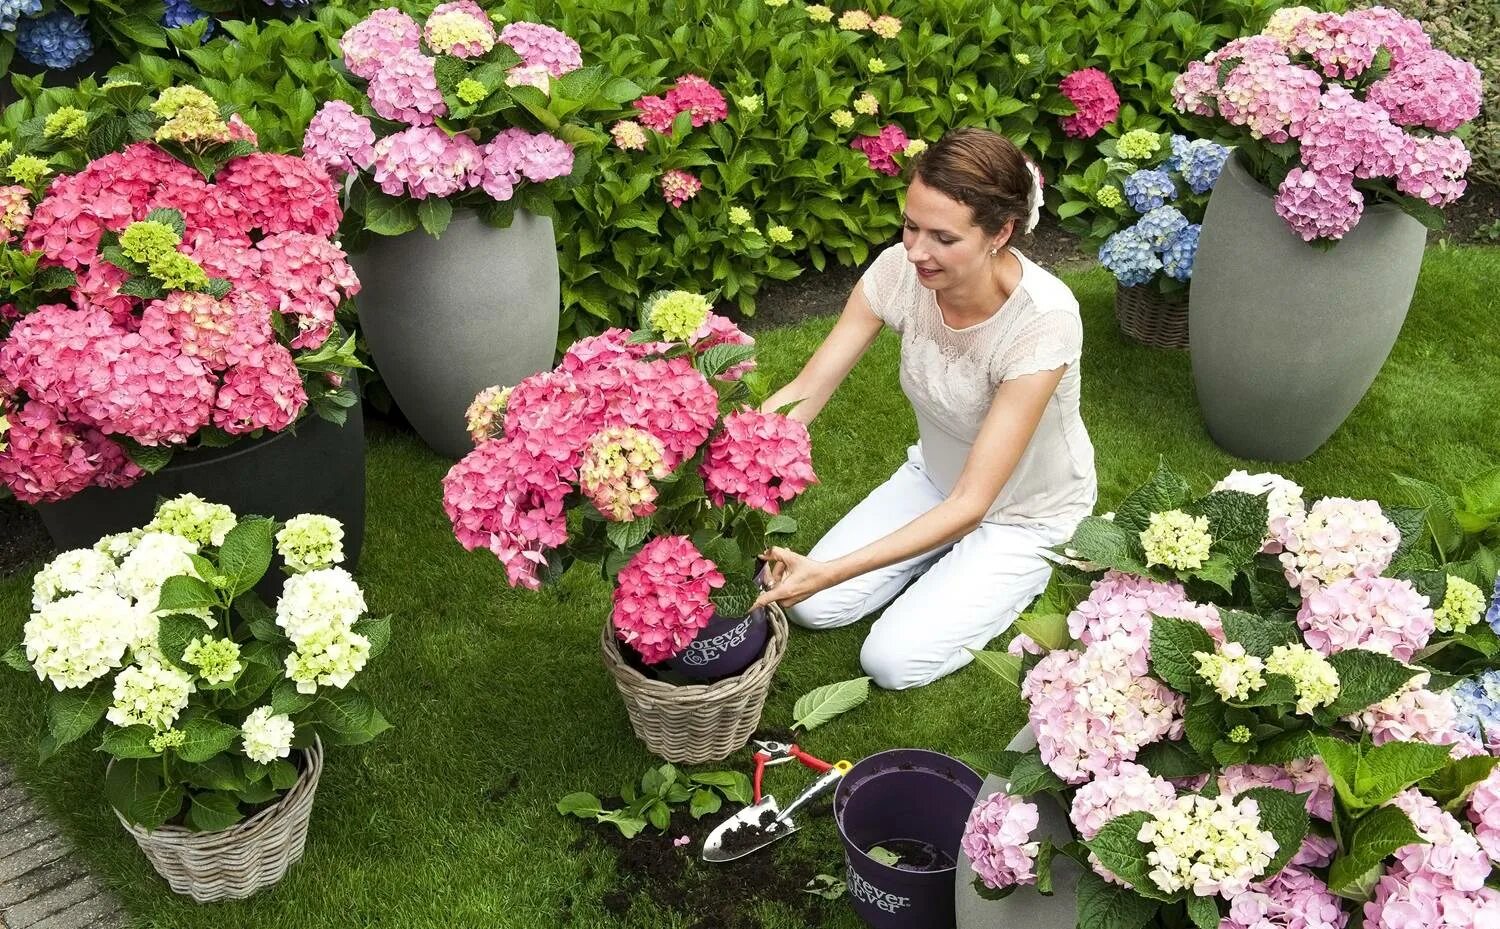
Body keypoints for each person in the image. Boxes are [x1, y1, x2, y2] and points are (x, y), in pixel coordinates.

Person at [751, 127, 1097, 690]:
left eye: (942, 237)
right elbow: (809, 387)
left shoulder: (1043, 320)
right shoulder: (899, 271)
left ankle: (1008, 569)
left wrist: (831, 570)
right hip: (936, 480)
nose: (916, 251)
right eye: (911, 226)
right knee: (810, 605)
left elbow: (973, 502)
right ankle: (934, 555)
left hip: (1023, 515)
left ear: (1000, 232)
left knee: (889, 662)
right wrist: (730, 459)